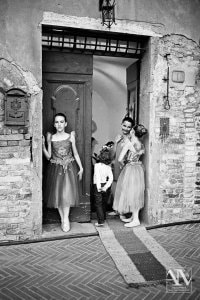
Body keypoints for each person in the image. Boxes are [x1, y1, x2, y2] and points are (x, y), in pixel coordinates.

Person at [42, 113, 83, 233]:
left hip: (69, 168)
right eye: (56, 122)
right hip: (55, 169)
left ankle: (66, 219)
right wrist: (43, 146)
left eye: (61, 122)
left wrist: (81, 167)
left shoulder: (70, 137)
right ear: (54, 124)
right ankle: (62, 218)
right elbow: (49, 157)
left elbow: (75, 153)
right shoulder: (52, 138)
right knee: (57, 196)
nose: (59, 124)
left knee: (66, 195)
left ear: (65, 123)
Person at [112, 124, 147, 227]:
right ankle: (133, 216)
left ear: (132, 132)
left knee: (132, 193)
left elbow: (119, 159)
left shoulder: (129, 143)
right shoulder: (141, 144)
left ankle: (136, 219)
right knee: (135, 192)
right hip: (138, 168)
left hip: (131, 169)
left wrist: (123, 163)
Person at [108, 116, 134, 218]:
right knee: (115, 189)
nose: (126, 128)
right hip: (116, 166)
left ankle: (123, 211)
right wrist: (115, 143)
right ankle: (117, 210)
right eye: (124, 125)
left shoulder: (132, 139)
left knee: (124, 189)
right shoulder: (118, 138)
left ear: (131, 128)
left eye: (128, 127)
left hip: (125, 167)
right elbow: (112, 155)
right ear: (121, 125)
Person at [93, 147, 113, 226]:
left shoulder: (97, 165)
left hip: (98, 185)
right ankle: (103, 217)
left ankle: (101, 221)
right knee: (103, 203)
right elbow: (111, 178)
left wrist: (99, 188)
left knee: (98, 204)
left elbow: (97, 176)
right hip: (105, 185)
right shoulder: (108, 167)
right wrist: (105, 187)